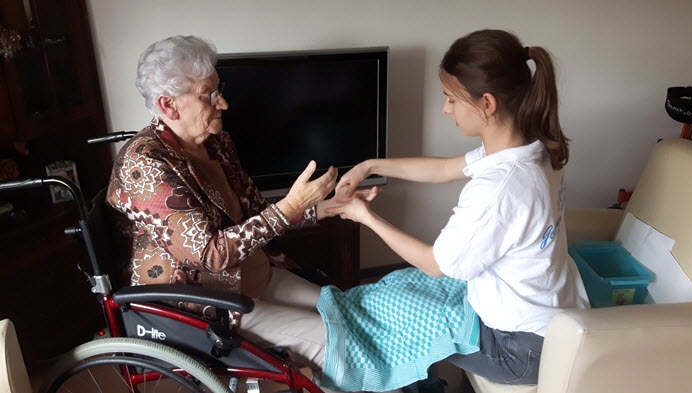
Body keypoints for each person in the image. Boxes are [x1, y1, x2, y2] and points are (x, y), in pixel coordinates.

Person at [322, 29, 590, 390]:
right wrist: (369, 165)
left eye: (450, 99)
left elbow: (434, 265)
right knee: (397, 286)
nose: (445, 109)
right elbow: (445, 169)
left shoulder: (501, 188)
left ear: (487, 104)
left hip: (519, 348)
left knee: (393, 313)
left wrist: (363, 216)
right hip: (543, 318)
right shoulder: (529, 147)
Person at [105, 35, 376, 372]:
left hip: (255, 276)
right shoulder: (143, 165)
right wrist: (290, 206)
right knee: (342, 345)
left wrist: (326, 207)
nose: (223, 104)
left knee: (348, 314)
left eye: (219, 89)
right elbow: (210, 256)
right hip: (209, 304)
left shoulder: (216, 142)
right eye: (209, 95)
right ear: (168, 105)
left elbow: (255, 209)